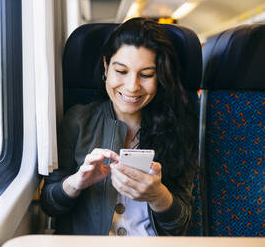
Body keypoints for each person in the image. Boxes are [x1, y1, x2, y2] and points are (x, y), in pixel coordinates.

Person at [40, 17, 198, 236]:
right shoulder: (77, 120)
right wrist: (77, 182)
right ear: (106, 67)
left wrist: (157, 195)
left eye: (146, 75)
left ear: (159, 76)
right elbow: (49, 204)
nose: (132, 87)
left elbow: (180, 226)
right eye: (121, 71)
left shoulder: (179, 128)